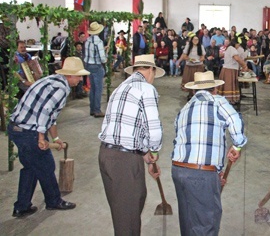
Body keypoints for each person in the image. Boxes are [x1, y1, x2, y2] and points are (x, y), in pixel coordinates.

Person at [9, 57, 90, 217]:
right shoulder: (61, 89)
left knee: (31, 168)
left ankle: (22, 206)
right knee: (46, 166)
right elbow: (45, 112)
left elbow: (51, 116)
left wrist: (55, 138)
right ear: (69, 75)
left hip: (16, 128)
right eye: (79, 76)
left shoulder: (52, 80)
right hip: (28, 132)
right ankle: (54, 201)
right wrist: (41, 138)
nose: (81, 79)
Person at [172, 71, 247, 236]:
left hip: (178, 170)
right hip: (201, 172)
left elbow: (178, 139)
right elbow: (235, 122)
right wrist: (237, 146)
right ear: (215, 89)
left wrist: (217, 172)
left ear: (194, 91)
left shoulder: (184, 109)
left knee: (188, 221)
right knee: (206, 224)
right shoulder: (217, 101)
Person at [99, 54, 164, 235]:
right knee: (128, 218)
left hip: (106, 153)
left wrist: (146, 156)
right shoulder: (146, 89)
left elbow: (129, 127)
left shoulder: (120, 88)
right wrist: (155, 150)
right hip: (124, 160)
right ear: (150, 70)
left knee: (126, 208)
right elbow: (153, 128)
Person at [84, 22, 107, 118]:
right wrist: (105, 56)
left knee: (92, 88)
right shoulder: (98, 41)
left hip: (88, 65)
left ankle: (92, 109)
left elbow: (91, 53)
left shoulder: (87, 40)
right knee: (98, 89)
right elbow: (102, 58)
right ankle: (97, 110)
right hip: (96, 66)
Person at [217, 35, 249, 104]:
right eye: (238, 45)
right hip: (229, 69)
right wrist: (244, 65)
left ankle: (231, 100)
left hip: (230, 69)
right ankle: (230, 101)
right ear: (236, 43)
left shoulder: (230, 48)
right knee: (229, 85)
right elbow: (237, 58)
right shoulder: (232, 48)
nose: (238, 46)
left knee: (230, 85)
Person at [178, 33, 206, 100]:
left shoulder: (201, 47)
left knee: (197, 81)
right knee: (190, 80)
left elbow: (203, 57)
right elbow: (184, 56)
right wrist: (189, 59)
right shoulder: (188, 46)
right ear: (192, 40)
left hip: (198, 66)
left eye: (197, 39)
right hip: (190, 66)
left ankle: (197, 94)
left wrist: (198, 60)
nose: (196, 41)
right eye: (194, 39)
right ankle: (190, 94)